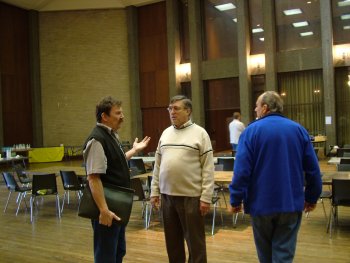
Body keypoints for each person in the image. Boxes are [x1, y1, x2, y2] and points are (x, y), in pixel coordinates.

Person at [228, 91, 322, 263]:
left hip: (260, 204)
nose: (255, 110)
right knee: (284, 254)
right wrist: (312, 197)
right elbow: (313, 170)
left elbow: (241, 171)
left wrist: (235, 199)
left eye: (256, 106)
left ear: (264, 108)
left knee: (265, 255)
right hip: (290, 203)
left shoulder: (250, 132)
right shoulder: (299, 130)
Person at [83, 96, 150, 263]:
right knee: (106, 255)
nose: (122, 116)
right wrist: (104, 211)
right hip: (107, 209)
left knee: (118, 251)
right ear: (104, 116)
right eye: (118, 113)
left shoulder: (111, 136)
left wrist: (134, 150)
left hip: (117, 206)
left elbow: (114, 162)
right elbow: (93, 177)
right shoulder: (97, 140)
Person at [150, 95, 214, 263]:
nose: (172, 112)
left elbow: (208, 168)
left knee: (195, 243)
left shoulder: (200, 134)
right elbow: (158, 166)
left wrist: (206, 197)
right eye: (170, 109)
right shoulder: (165, 133)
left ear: (188, 111)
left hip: (191, 198)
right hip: (167, 197)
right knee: (172, 243)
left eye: (176, 108)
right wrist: (154, 192)